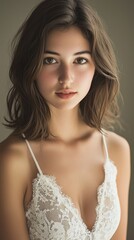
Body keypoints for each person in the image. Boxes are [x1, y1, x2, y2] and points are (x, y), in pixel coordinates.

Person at [0, 0, 131, 239]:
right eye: (50, 60)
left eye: (80, 60)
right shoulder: (12, 159)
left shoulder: (116, 150)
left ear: (96, 66)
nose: (66, 78)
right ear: (31, 66)